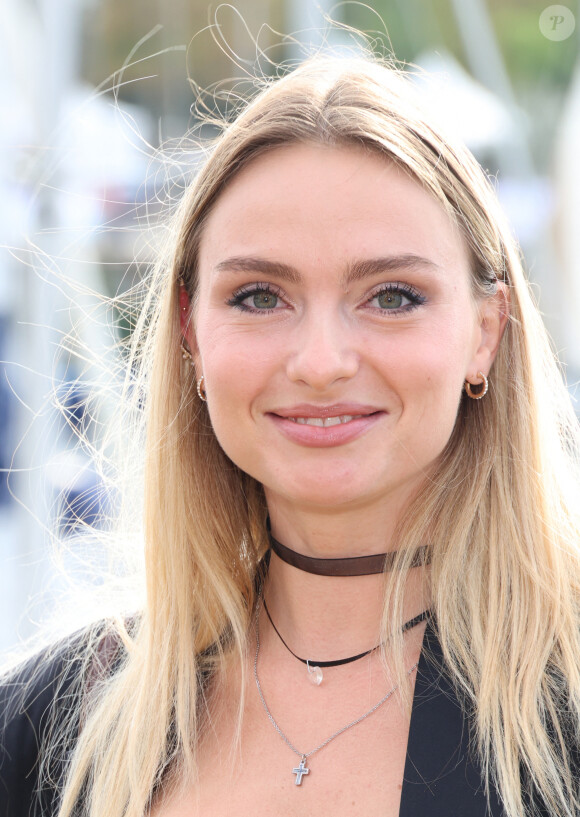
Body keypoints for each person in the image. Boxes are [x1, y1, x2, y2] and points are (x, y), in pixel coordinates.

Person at [2, 53, 580, 817]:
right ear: (191, 334)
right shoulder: (47, 730)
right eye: (259, 295)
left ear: (485, 331)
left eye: (393, 295)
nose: (319, 363)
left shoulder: (563, 704)